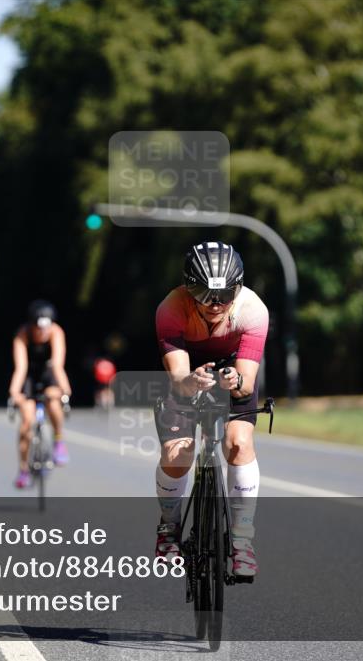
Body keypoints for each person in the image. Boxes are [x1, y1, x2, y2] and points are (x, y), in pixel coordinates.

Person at [153, 241, 269, 578]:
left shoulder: (253, 311)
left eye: (224, 294)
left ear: (239, 287)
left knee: (239, 444)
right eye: (203, 292)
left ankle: (242, 542)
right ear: (188, 288)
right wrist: (191, 382)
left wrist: (234, 381)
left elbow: (247, 383)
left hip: (233, 371)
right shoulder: (170, 309)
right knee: (178, 452)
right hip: (187, 371)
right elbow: (178, 378)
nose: (215, 304)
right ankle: (168, 531)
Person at [9, 300, 73, 488]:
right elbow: (20, 367)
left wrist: (65, 390)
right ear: (31, 325)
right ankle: (23, 470)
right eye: (39, 328)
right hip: (28, 375)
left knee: (53, 402)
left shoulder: (56, 332)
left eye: (47, 327)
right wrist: (14, 392)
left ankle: (58, 440)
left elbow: (57, 364)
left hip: (48, 373)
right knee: (27, 423)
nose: (43, 332)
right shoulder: (22, 335)